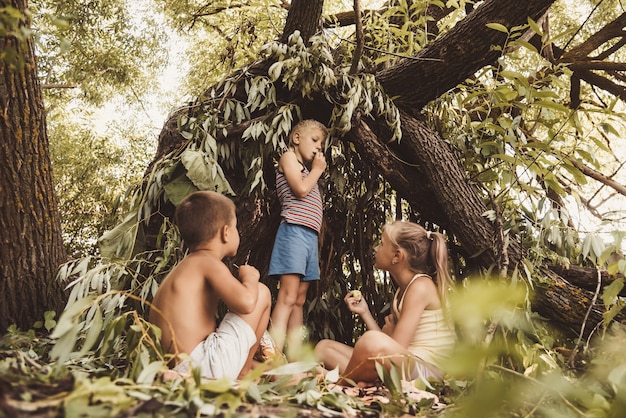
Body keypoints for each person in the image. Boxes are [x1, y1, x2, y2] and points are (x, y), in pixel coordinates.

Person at [148, 190, 272, 380]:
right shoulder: (208, 262)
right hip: (206, 364)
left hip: (182, 365)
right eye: (236, 227)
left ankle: (186, 379)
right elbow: (246, 303)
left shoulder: (179, 272)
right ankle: (242, 374)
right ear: (226, 232)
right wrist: (251, 279)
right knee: (261, 293)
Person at [315, 221, 456, 384]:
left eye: (381, 244)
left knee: (370, 341)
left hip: (425, 371)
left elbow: (390, 349)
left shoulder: (420, 287)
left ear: (397, 256)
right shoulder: (402, 290)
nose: (376, 248)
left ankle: (340, 383)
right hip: (404, 363)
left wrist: (389, 333)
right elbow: (386, 347)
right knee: (324, 347)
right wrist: (364, 312)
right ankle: (355, 379)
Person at [268, 119, 329, 353]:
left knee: (299, 301)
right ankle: (271, 357)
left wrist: (314, 171)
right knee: (287, 296)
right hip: (293, 230)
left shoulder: (308, 170)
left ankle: (293, 361)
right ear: (296, 138)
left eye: (321, 146)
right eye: (314, 141)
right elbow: (301, 189)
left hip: (309, 237)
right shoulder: (288, 158)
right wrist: (318, 170)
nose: (318, 148)